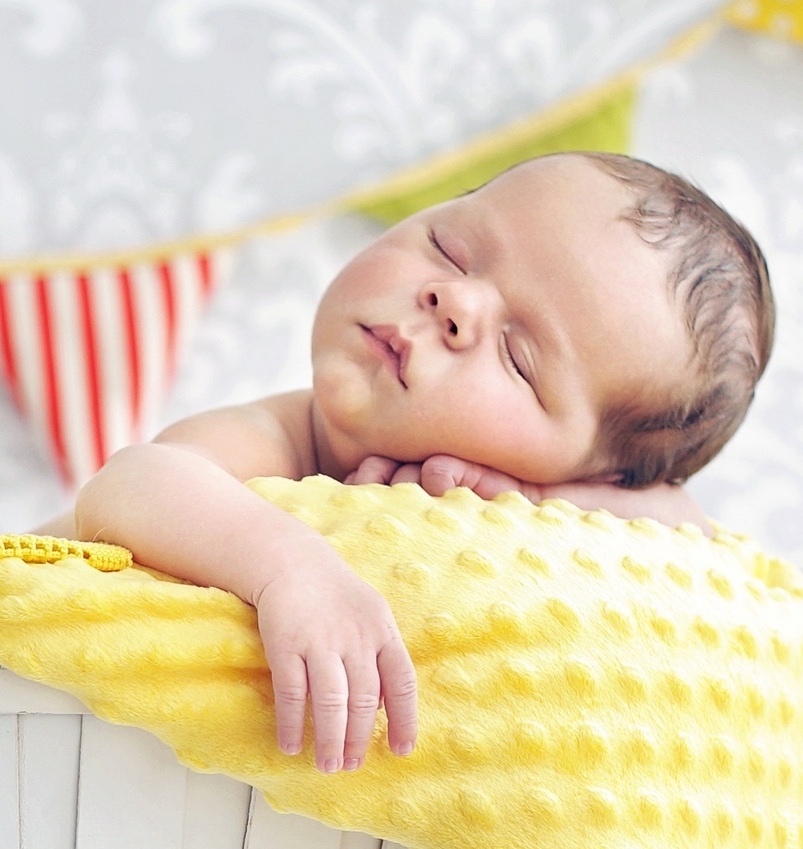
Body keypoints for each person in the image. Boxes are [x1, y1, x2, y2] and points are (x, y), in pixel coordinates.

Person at [40, 151, 774, 772]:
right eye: (451, 247)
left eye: (519, 357)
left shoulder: (522, 550)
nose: (451, 298)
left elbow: (691, 546)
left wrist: (545, 496)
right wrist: (292, 571)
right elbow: (133, 483)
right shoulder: (279, 440)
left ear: (585, 475)